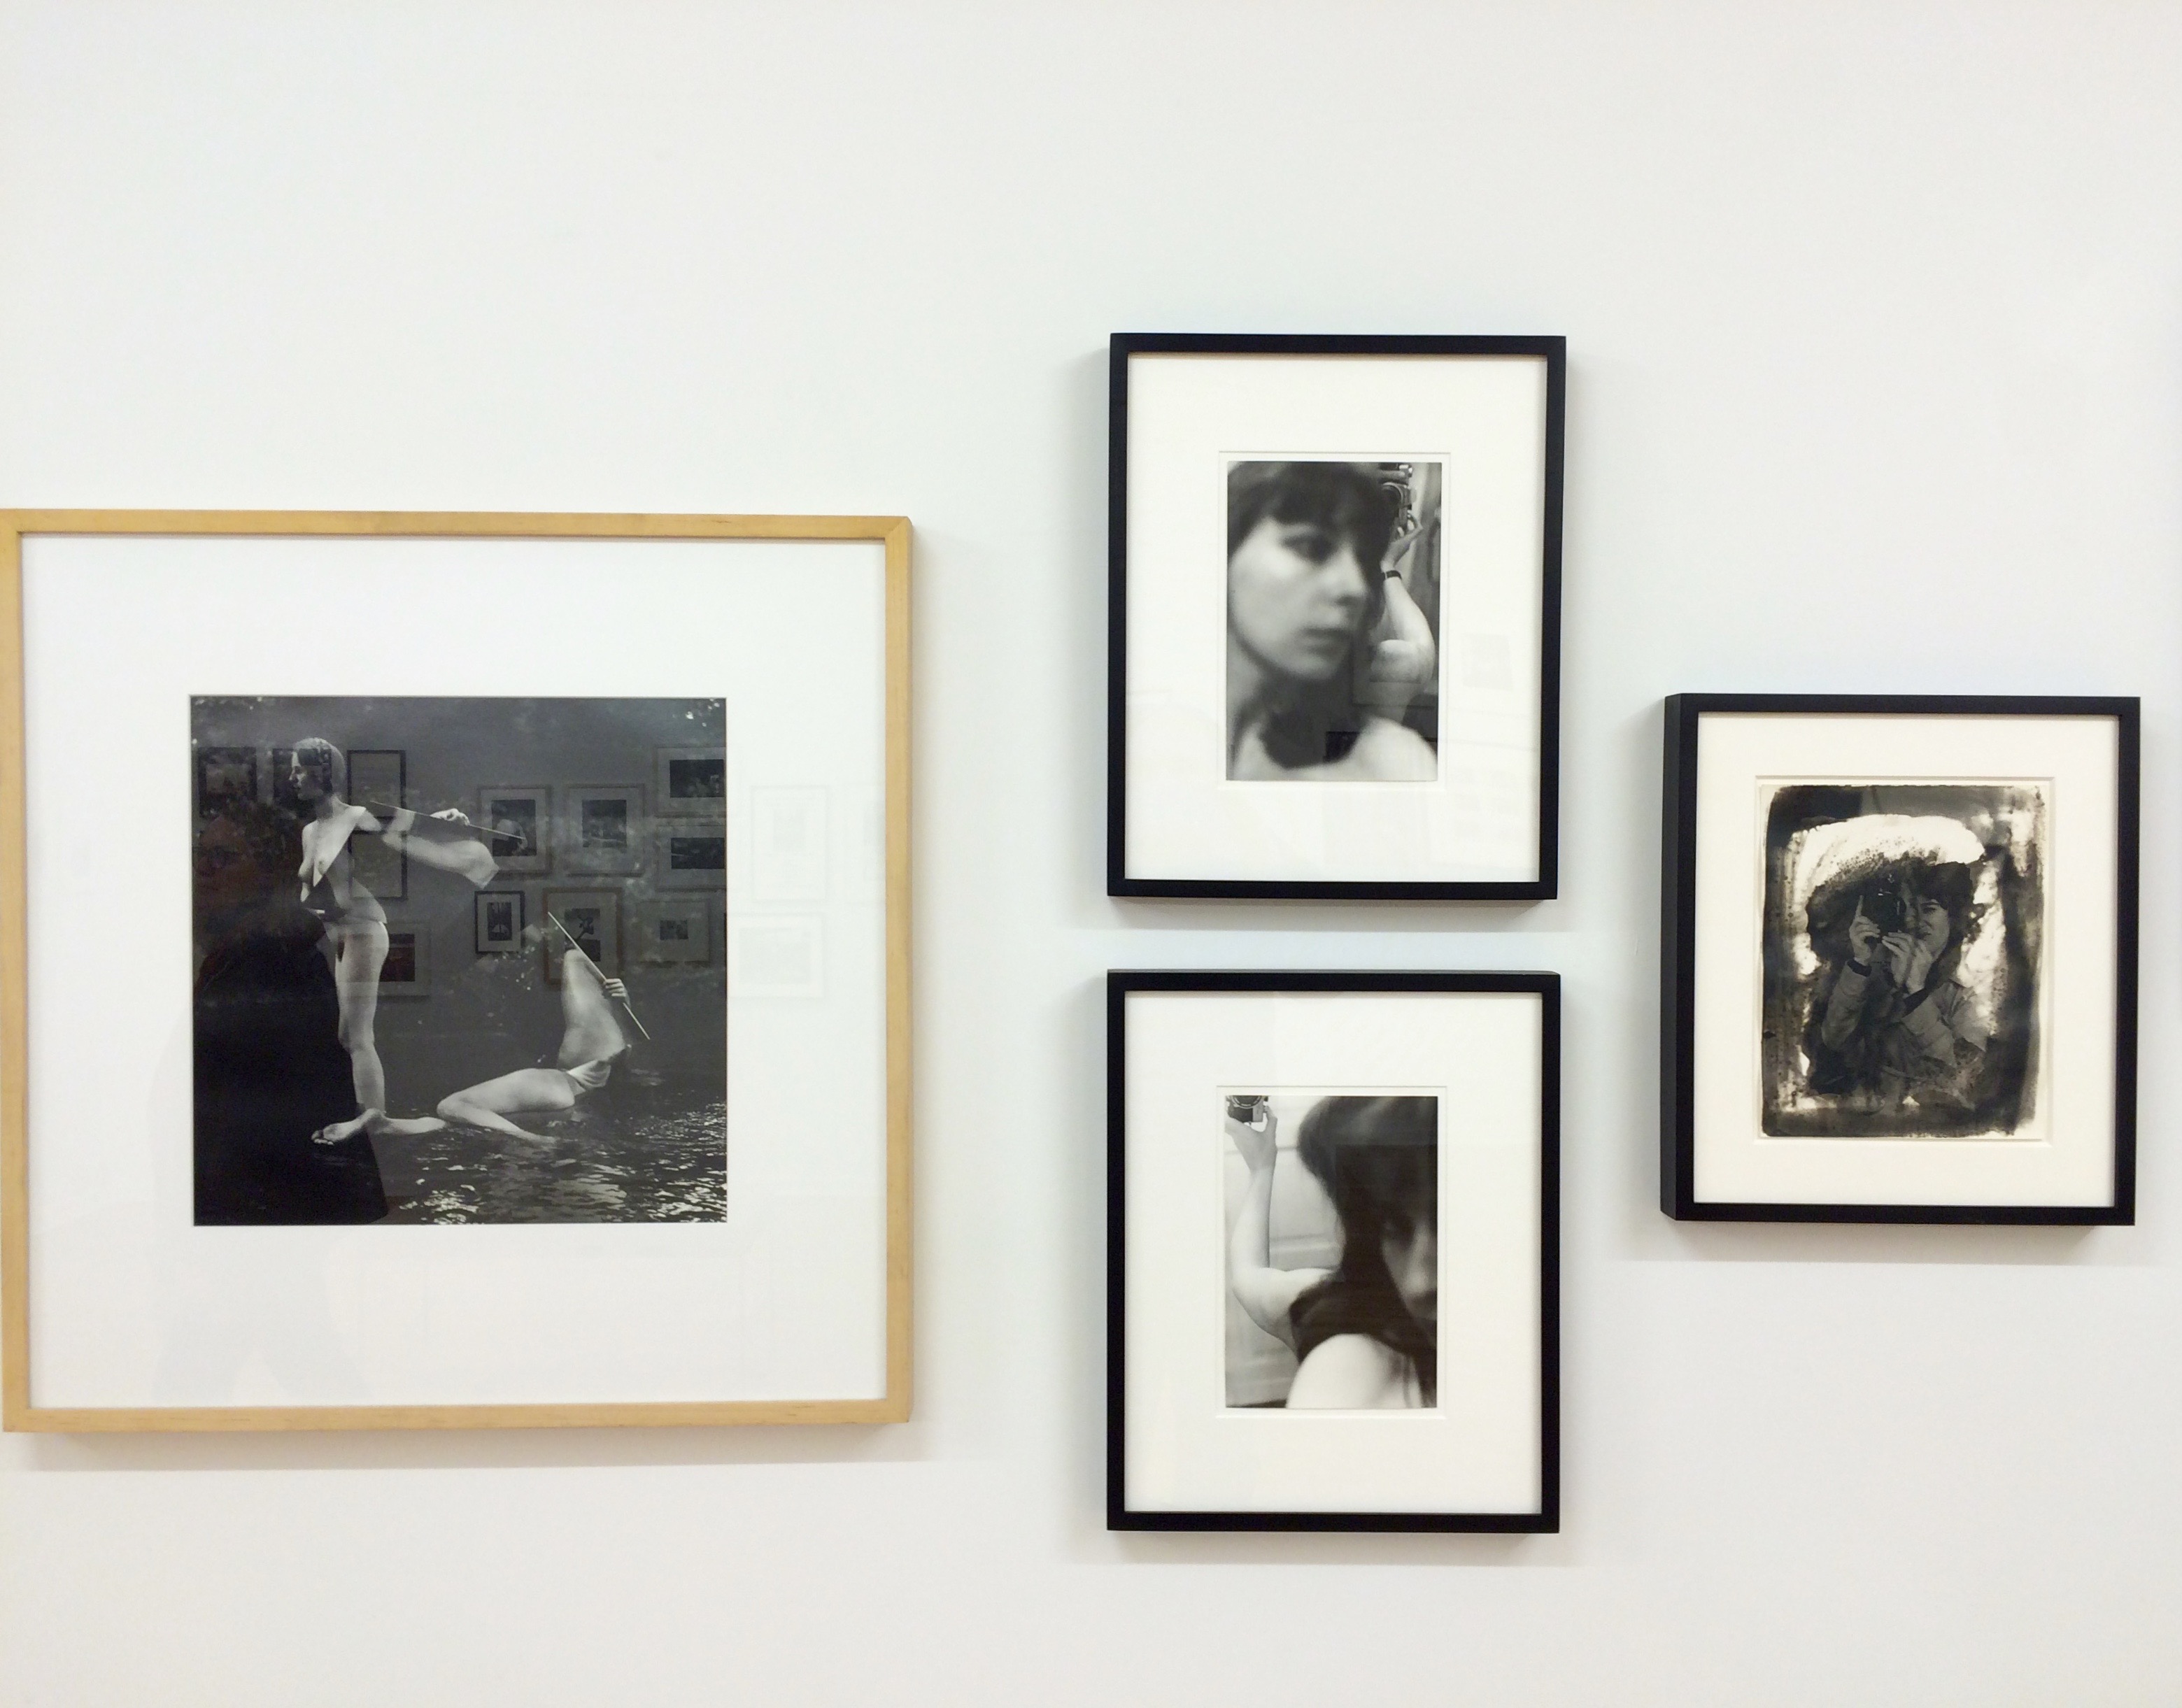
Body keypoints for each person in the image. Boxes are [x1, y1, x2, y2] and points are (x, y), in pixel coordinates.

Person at [287, 737, 496, 1145]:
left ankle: (374, 1119)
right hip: (338, 935)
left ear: (322, 772)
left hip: (364, 931)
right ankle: (376, 1116)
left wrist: (441, 820)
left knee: (359, 1035)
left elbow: (403, 835)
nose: (292, 777)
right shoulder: (310, 831)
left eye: (299, 769)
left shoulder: (356, 817)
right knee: (347, 1035)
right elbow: (315, 884)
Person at [192, 800, 388, 1223]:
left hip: (279, 1213)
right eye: (200, 853)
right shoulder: (244, 956)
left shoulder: (272, 966)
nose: (202, 870)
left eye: (222, 857)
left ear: (271, 875)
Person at [1225, 462, 1439, 780]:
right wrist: (1388, 566)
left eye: (1364, 560)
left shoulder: (1392, 763)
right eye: (1312, 547)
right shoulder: (1156, 745)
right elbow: (1420, 651)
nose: (1356, 588)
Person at [1225, 1095, 1437, 1409]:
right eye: (1393, 1225)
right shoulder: (1350, 1334)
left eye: (1448, 1224)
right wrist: (1261, 1167)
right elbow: (1248, 1276)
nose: (1419, 1285)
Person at [1803, 858, 1989, 1112]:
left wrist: (1917, 995)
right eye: (1908, 910)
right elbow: (1833, 1039)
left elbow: (1963, 1077)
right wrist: (1860, 963)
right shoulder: (1878, 970)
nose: (1915, 920)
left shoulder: (1968, 994)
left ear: (1954, 918)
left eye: (1929, 909)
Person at [423, 941, 633, 1143]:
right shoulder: (504, 990)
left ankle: (535, 1140)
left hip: (566, 1080)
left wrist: (532, 1140)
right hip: (582, 1082)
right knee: (444, 1119)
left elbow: (453, 1106)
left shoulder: (555, 975)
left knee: (450, 1107)